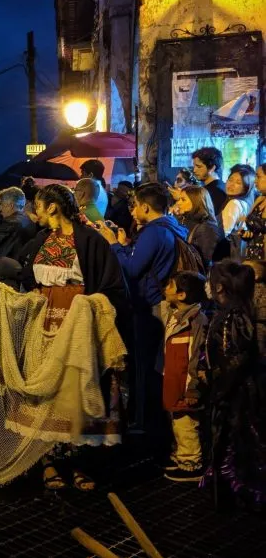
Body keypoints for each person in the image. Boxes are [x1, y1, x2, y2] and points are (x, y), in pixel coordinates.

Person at [16, 185, 127, 491]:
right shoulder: (40, 240)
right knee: (46, 388)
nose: (35, 213)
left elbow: (112, 285)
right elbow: (25, 274)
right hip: (44, 325)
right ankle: (47, 459)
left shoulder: (90, 240)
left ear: (52, 207)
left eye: (38, 206)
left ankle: (80, 461)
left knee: (76, 387)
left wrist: (91, 304)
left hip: (78, 325)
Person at [97, 182, 186, 436]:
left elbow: (133, 270)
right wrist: (126, 246)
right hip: (161, 303)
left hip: (149, 306)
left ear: (145, 207)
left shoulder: (154, 232)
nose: (133, 213)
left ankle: (146, 422)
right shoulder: (173, 226)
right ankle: (153, 420)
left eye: (135, 207)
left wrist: (114, 244)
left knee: (146, 366)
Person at [200, 260, 266, 508]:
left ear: (219, 288)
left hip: (235, 398)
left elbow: (236, 359)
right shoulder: (230, 314)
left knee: (236, 444)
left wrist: (220, 389)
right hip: (231, 394)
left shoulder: (233, 318)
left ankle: (239, 497)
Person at [161, 271, 208, 483]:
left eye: (170, 286)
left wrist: (193, 388)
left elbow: (196, 357)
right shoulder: (175, 316)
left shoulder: (196, 321)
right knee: (178, 421)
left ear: (181, 295)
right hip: (173, 380)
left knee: (186, 423)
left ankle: (191, 464)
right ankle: (181, 455)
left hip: (185, 384)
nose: (165, 289)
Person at [172, 185, 226, 269]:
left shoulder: (207, 227)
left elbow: (203, 261)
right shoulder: (184, 220)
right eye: (179, 199)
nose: (178, 203)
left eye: (183, 200)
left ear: (196, 202)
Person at [223, 164, 257, 257]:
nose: (232, 185)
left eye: (238, 183)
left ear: (246, 187)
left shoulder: (234, 204)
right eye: (230, 180)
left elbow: (223, 232)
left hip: (229, 254)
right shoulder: (248, 204)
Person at [192, 146, 227, 217]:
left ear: (212, 168)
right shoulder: (220, 186)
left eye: (199, 167)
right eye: (194, 166)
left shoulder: (215, 191)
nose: (194, 170)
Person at [241, 164, 266, 260]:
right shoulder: (260, 199)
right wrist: (247, 234)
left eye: (259, 177)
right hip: (254, 255)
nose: (255, 181)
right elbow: (257, 231)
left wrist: (248, 219)